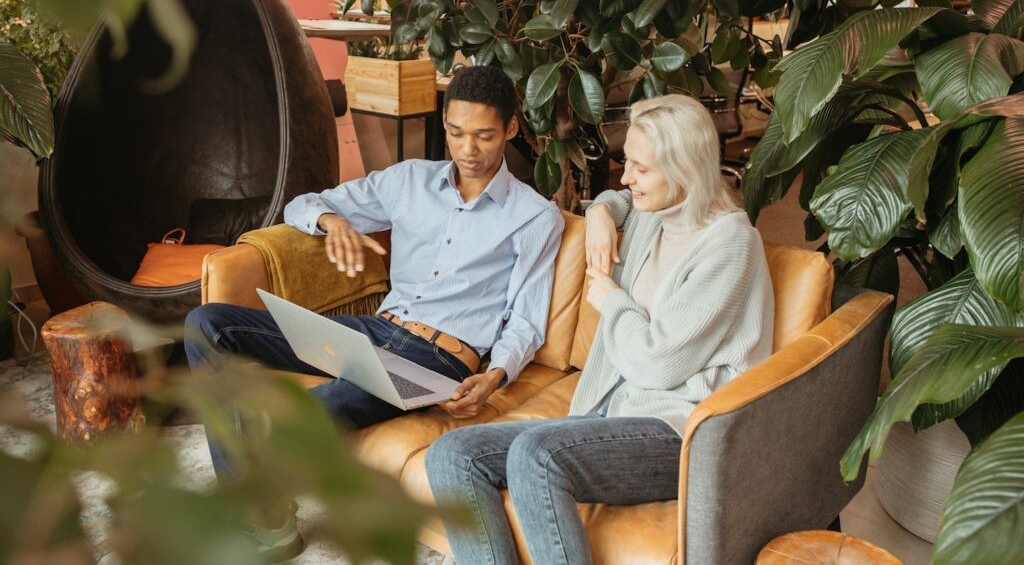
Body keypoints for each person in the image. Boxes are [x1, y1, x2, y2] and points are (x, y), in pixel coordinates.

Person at [183, 65, 564, 558]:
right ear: (444, 123)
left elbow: (527, 319)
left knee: (308, 413)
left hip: (437, 359)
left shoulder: (535, 216)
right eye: (455, 133)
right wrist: (332, 221)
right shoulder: (408, 181)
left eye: (484, 135)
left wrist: (495, 376)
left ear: (511, 128)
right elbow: (305, 203)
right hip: (372, 333)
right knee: (207, 325)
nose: (468, 150)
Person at [425, 94, 775, 565]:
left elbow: (655, 364)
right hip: (610, 416)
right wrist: (599, 214)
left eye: (640, 168)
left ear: (686, 168)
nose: (627, 176)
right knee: (452, 455)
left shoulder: (731, 244)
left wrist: (612, 299)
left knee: (536, 455)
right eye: (626, 161)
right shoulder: (657, 211)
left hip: (683, 432)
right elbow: (619, 198)